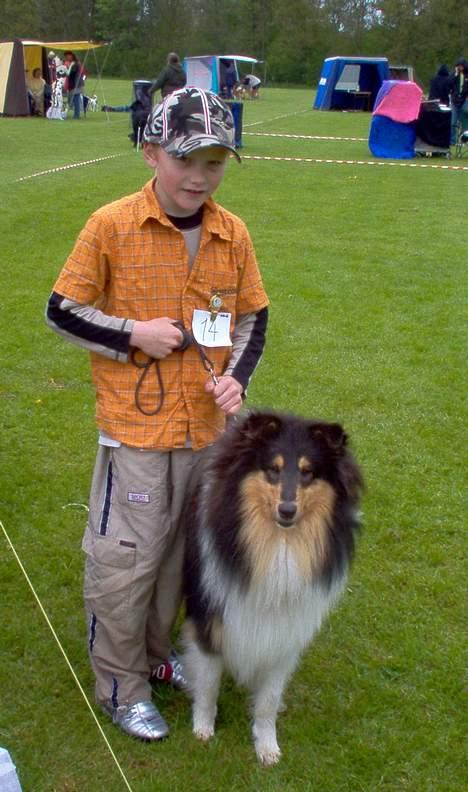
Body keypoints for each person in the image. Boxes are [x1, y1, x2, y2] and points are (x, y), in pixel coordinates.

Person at [45, 86, 269, 742]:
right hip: (136, 432)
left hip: (206, 432)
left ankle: (152, 656)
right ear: (150, 153)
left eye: (215, 163)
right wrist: (130, 334)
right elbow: (61, 308)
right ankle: (120, 685)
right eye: (185, 160)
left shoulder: (233, 233)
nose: (200, 177)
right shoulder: (111, 224)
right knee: (125, 561)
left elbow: (252, 313)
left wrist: (234, 379)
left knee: (176, 560)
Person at [449, 58, 468, 144]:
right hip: (455, 100)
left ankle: (463, 140)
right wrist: (455, 74)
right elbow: (449, 83)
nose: (460, 68)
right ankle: (453, 140)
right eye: (458, 66)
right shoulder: (454, 75)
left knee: (464, 119)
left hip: (464, 100)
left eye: (461, 66)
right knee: (453, 122)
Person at [63, 50, 85, 119]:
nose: (67, 57)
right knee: (72, 99)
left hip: (77, 83)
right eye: (66, 56)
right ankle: (76, 114)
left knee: (76, 99)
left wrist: (67, 68)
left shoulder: (75, 64)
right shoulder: (70, 63)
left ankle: (76, 115)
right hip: (72, 84)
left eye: (68, 56)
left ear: (72, 56)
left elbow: (70, 73)